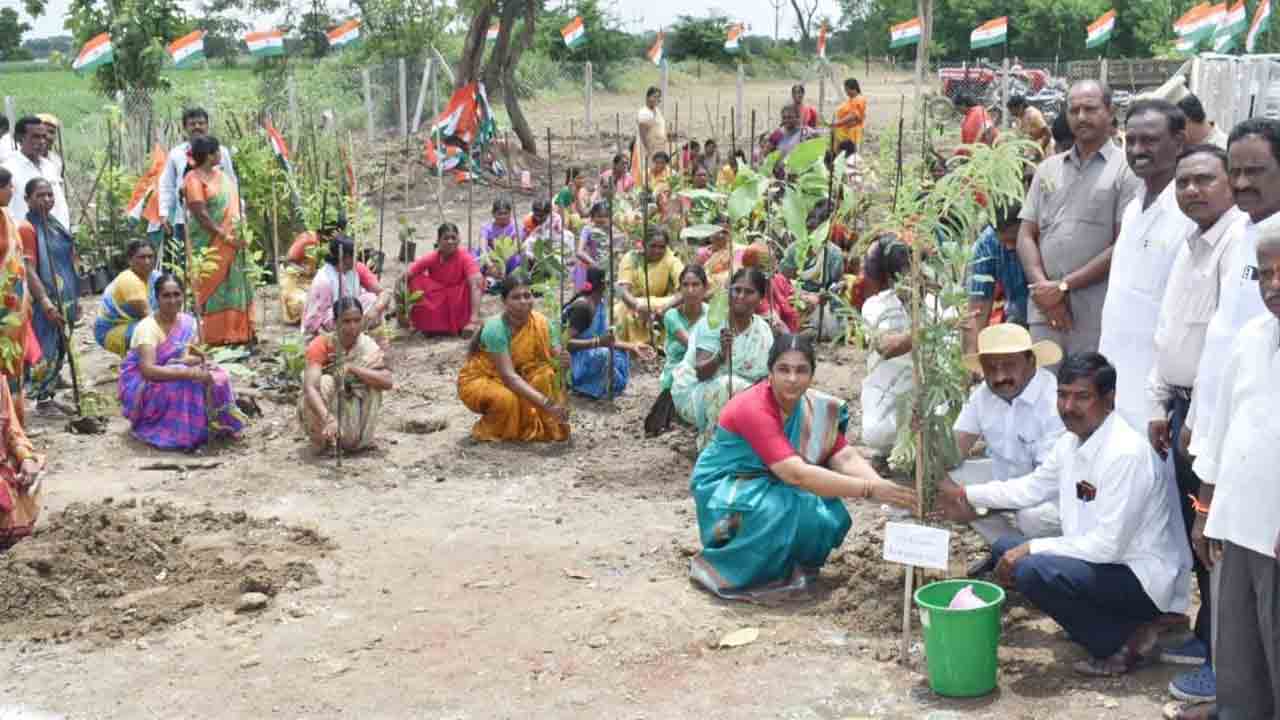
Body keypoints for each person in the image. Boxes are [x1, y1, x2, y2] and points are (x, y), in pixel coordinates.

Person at [935, 352, 1192, 677]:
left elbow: (1108, 546)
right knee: (1005, 548)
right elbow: (1030, 488)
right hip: (1103, 565)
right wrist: (964, 494)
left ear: (1109, 399)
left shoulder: (1125, 453)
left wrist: (1032, 548)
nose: (1069, 407)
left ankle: (1122, 643)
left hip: (1138, 577)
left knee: (1031, 570)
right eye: (1063, 395)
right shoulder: (1071, 443)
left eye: (1082, 397)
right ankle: (1116, 623)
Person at [1176, 120, 1280, 713]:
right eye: (1233, 170)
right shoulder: (1241, 237)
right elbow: (1230, 406)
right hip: (1236, 507)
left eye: (1254, 171)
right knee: (1239, 655)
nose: (1240, 183)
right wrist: (1207, 502)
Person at [689, 333, 915, 600]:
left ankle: (790, 569)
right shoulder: (753, 407)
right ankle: (738, 571)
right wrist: (869, 490)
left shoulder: (813, 405)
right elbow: (795, 474)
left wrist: (882, 486)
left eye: (801, 370)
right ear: (769, 373)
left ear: (812, 375)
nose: (792, 378)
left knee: (822, 511)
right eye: (783, 369)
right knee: (785, 506)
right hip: (727, 484)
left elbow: (843, 457)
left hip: (774, 479)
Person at [1145, 144, 1247, 715]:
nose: (1192, 191)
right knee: (1196, 535)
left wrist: (1200, 421)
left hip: (1212, 414)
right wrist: (1161, 404)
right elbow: (1171, 331)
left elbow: (1224, 346)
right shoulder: (1192, 245)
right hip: (1184, 409)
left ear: (1229, 182)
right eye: (1183, 183)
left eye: (1205, 180)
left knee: (1215, 540)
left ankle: (1224, 665)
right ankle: (1207, 635)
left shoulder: (1239, 245)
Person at [1017, 80, 1142, 360]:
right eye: (1074, 110)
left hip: (1095, 312)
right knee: (1044, 394)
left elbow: (1125, 244)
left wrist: (1064, 287)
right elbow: (1026, 234)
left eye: (1090, 108)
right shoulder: (1047, 169)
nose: (1081, 117)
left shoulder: (1126, 170)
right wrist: (1044, 291)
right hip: (1045, 313)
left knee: (1088, 397)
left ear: (1110, 112)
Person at [1098, 99, 1194, 432]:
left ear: (1179, 143)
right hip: (1116, 367)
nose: (1138, 149)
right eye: (1131, 140)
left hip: (1156, 384)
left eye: (1150, 140)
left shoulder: (1189, 214)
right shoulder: (1133, 207)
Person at [952, 324, 1065, 573]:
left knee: (1031, 516)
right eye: (991, 367)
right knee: (952, 479)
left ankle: (1047, 560)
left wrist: (974, 500)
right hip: (1009, 485)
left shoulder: (1054, 399)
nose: (1000, 376)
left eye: (1009, 365)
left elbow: (1042, 487)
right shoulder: (983, 396)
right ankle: (1005, 550)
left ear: (1031, 361)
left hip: (1055, 498)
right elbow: (954, 449)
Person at [118, 273, 244, 450]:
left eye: (177, 295)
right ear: (157, 298)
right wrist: (186, 371)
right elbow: (148, 370)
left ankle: (223, 425)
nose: (172, 300)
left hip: (173, 369)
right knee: (187, 382)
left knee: (219, 375)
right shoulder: (147, 328)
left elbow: (188, 355)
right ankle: (181, 435)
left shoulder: (187, 322)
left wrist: (194, 362)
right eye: (166, 296)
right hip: (143, 383)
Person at [457, 273, 570, 442]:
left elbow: (555, 357)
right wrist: (547, 404)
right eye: (516, 297)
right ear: (504, 301)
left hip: (520, 377)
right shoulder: (495, 328)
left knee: (546, 375)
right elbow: (509, 377)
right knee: (506, 400)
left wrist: (564, 361)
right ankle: (493, 429)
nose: (523, 302)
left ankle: (543, 428)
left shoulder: (543, 323)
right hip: (485, 378)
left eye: (527, 295)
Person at [671, 267, 775, 449]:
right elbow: (701, 373)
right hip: (699, 394)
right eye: (736, 290)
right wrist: (720, 355)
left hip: (745, 394)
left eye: (749, 292)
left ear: (760, 298)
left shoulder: (763, 330)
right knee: (729, 386)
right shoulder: (715, 324)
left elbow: (766, 376)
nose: (740, 296)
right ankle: (711, 450)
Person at [183, 135, 255, 346]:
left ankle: (238, 333)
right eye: (217, 152)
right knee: (213, 287)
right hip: (210, 242)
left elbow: (234, 206)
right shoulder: (193, 179)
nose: (221, 155)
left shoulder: (223, 176)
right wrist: (225, 236)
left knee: (235, 283)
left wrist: (239, 232)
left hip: (234, 242)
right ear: (209, 155)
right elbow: (201, 215)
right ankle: (214, 336)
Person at [299, 296, 393, 453]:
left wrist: (352, 368)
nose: (353, 326)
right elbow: (310, 387)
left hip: (355, 406)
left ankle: (357, 440)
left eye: (357, 320)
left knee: (373, 381)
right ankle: (324, 442)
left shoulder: (367, 345)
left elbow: (387, 381)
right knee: (325, 382)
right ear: (336, 322)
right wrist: (328, 419)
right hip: (328, 409)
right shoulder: (322, 344)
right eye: (346, 321)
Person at [17, 178, 78, 412]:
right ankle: (43, 399)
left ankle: (53, 382)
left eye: (50, 195)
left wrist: (76, 297)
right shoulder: (27, 228)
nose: (46, 200)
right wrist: (45, 302)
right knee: (46, 345)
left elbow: (68, 260)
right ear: (27, 199)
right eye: (40, 195)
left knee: (62, 341)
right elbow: (29, 269)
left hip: (66, 296)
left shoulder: (54, 224)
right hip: (46, 299)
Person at [151, 107, 238, 253]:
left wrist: (238, 211)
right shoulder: (176, 154)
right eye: (192, 124)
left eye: (201, 123)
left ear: (207, 126)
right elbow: (166, 185)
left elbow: (231, 182)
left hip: (221, 219)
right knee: (188, 263)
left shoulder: (221, 152)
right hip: (184, 220)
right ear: (185, 128)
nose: (197, 127)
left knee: (220, 264)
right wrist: (164, 213)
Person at [563, 267, 653, 400]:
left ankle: (608, 389)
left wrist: (633, 346)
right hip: (573, 360)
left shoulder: (599, 303)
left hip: (591, 350)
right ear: (602, 285)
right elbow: (564, 343)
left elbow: (608, 339)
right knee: (604, 354)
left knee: (620, 352)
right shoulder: (582, 308)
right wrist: (597, 342)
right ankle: (582, 386)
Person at [859, 234, 913, 453]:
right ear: (891, 278)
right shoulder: (876, 306)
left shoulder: (936, 303)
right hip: (888, 390)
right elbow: (886, 347)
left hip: (925, 391)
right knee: (877, 434)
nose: (913, 279)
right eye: (906, 273)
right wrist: (925, 332)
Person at [646, 265, 708, 435]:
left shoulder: (710, 314)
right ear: (679, 289)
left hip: (705, 366)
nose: (690, 290)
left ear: (705, 288)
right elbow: (692, 345)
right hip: (678, 372)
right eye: (686, 285)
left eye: (696, 285)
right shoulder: (672, 316)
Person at [0, 169, 38, 426]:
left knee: (13, 363)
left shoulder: (9, 219)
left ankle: (15, 424)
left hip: (13, 308)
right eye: (8, 186)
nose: (12, 190)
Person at [966, 203, 1029, 352]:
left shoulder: (1045, 232)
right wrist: (973, 361)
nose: (1009, 247)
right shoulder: (987, 244)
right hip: (1017, 318)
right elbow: (977, 310)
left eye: (1014, 240)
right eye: (1003, 241)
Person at [280, 221, 368, 324]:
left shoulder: (342, 266)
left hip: (310, 278)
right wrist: (304, 270)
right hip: (295, 278)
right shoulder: (308, 239)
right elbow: (288, 261)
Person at [405, 222, 482, 337]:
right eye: (446, 238)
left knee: (477, 280)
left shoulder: (465, 257)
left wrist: (473, 319)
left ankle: (463, 322)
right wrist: (402, 310)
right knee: (414, 279)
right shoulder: (432, 257)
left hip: (459, 301)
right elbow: (406, 276)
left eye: (453, 238)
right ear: (438, 241)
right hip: (438, 300)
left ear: (459, 240)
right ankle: (427, 322)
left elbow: (476, 284)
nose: (450, 241)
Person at [614, 227, 684, 346]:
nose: (657, 251)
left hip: (662, 304)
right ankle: (629, 348)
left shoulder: (671, 259)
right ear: (644, 244)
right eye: (653, 246)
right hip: (634, 303)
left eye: (662, 247)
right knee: (619, 311)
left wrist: (664, 309)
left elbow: (684, 290)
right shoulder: (631, 258)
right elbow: (623, 291)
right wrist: (638, 306)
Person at [2, 116, 70, 231]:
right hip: (25, 238)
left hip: (55, 236)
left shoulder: (50, 166)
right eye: (35, 137)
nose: (42, 142)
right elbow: (6, 211)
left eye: (44, 137)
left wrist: (66, 233)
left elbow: (60, 204)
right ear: (19, 138)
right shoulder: (8, 169)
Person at [94, 240, 159, 357]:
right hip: (110, 330)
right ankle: (138, 368)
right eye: (142, 257)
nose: (147, 261)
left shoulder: (156, 276)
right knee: (149, 332)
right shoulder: (128, 279)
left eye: (150, 257)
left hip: (135, 324)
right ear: (130, 260)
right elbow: (149, 317)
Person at [478, 197, 524, 287]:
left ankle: (506, 278)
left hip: (511, 260)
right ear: (493, 214)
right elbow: (483, 249)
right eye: (499, 214)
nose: (503, 216)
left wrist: (504, 263)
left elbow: (518, 247)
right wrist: (491, 265)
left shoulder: (517, 227)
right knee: (476, 255)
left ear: (510, 213)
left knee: (520, 258)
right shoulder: (486, 228)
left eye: (505, 213)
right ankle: (491, 279)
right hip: (492, 261)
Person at [696, 217, 745, 293]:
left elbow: (735, 275)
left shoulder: (737, 251)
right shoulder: (702, 253)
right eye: (717, 231)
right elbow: (696, 275)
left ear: (730, 234)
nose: (720, 235)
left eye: (724, 232)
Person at [632, 86, 668, 185]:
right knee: (646, 171)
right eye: (654, 97)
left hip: (658, 148)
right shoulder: (644, 113)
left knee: (658, 170)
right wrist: (648, 150)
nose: (657, 100)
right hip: (647, 149)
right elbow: (642, 133)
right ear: (648, 97)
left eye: (658, 97)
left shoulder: (657, 111)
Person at [832, 78, 867, 154]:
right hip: (844, 133)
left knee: (849, 155)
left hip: (851, 134)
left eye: (846, 90)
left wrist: (837, 123)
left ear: (852, 89)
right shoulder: (852, 100)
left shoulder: (859, 99)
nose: (846, 92)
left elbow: (853, 116)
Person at [554, 166, 590, 234]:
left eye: (583, 178)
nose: (582, 180)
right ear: (571, 180)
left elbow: (581, 212)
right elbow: (561, 211)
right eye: (579, 178)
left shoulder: (576, 191)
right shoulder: (566, 191)